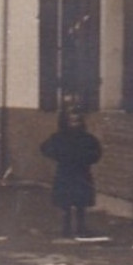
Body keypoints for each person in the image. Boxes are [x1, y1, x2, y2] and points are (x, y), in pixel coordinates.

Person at [41, 102, 101, 239]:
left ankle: (81, 227)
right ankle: (66, 228)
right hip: (66, 171)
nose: (75, 123)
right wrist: (59, 156)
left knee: (81, 201)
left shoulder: (87, 138)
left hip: (81, 172)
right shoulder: (59, 137)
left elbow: (96, 152)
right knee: (66, 202)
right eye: (71, 120)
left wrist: (87, 159)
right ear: (65, 121)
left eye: (77, 120)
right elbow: (45, 148)